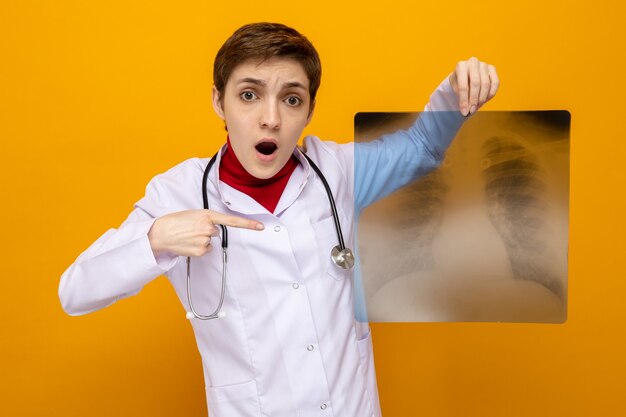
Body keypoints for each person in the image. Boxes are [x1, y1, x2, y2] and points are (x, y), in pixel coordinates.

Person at [59, 22, 498, 417]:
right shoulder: (177, 193)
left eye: (291, 99)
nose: (270, 119)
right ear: (219, 101)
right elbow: (75, 292)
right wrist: (154, 239)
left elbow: (421, 148)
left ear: (308, 112)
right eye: (248, 95)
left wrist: (456, 92)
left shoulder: (339, 172)